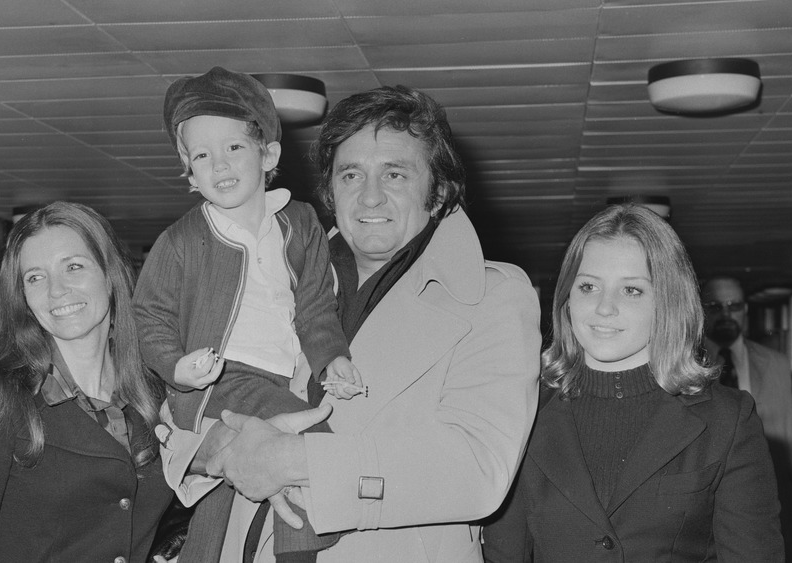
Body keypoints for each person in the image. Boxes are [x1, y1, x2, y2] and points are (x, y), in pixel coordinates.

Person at [156, 84, 541, 562]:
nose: (370, 197)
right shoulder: (272, 271)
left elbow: (478, 469)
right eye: (351, 175)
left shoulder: (493, 296)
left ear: (438, 191)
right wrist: (219, 448)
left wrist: (294, 461)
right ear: (330, 191)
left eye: (395, 174)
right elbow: (179, 412)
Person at [132, 66, 360, 563]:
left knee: (226, 495)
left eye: (233, 147)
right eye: (202, 156)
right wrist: (175, 366)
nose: (219, 165)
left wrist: (332, 358)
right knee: (308, 450)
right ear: (189, 172)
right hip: (222, 381)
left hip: (282, 378)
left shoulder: (301, 225)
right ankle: (302, 554)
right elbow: (147, 317)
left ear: (269, 153)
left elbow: (317, 306)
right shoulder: (182, 240)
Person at [482, 203, 784, 562]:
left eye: (632, 290)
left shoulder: (728, 420)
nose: (604, 307)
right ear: (567, 299)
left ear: (669, 303)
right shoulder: (522, 412)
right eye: (589, 286)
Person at [0, 201, 172, 562]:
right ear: (22, 298)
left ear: (110, 276)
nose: (56, 290)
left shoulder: (154, 393)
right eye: (35, 277)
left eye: (74, 267)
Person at [701, 275, 792, 560]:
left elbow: (789, 439)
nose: (726, 314)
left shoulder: (777, 365)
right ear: (702, 311)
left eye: (734, 305)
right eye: (715, 306)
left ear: (745, 310)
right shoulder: (683, 367)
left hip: (764, 503)